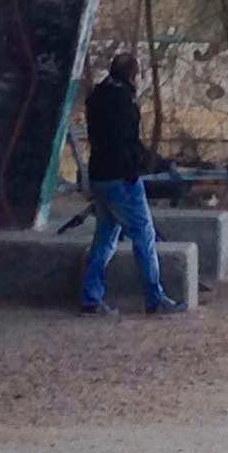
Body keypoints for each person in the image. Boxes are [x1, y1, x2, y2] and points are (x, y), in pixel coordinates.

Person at [80, 53, 187, 316]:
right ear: (132, 75)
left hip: (99, 176)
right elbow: (128, 140)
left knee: (105, 238)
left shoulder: (96, 97)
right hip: (121, 178)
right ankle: (154, 299)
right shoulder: (124, 100)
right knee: (144, 235)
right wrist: (145, 165)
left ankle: (90, 296)